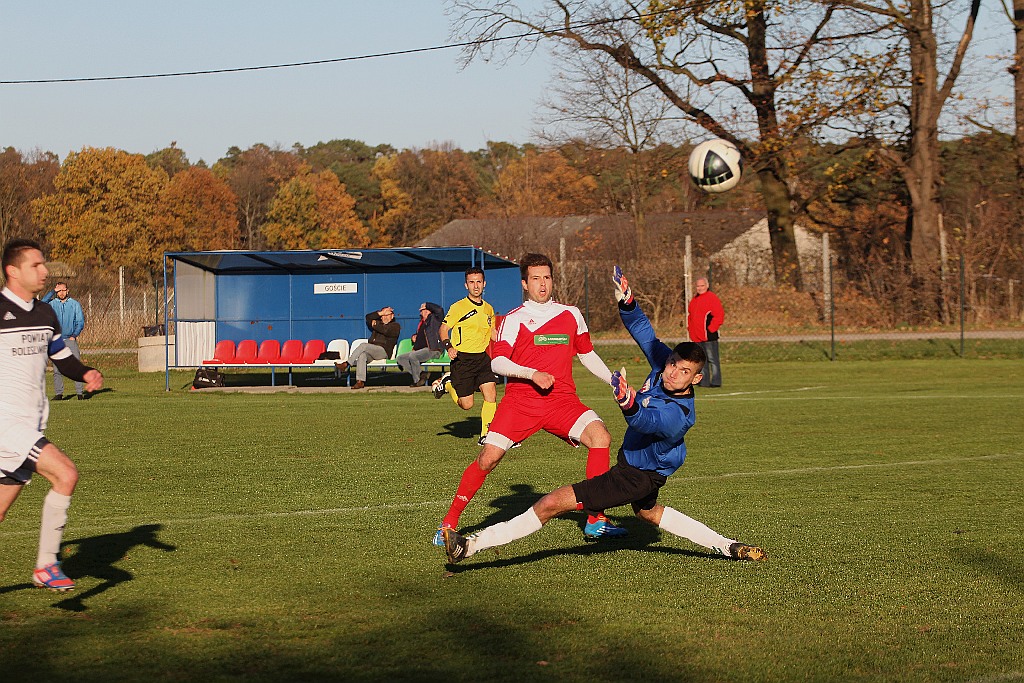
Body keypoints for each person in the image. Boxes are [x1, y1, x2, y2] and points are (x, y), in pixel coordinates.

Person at [440, 266, 765, 565]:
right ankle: (728, 545)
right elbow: (644, 332)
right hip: (640, 465)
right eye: (672, 365)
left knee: (550, 504)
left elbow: (646, 421)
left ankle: (469, 546)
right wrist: (627, 302)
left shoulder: (680, 414)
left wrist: (628, 402)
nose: (672, 373)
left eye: (684, 372)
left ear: (696, 379)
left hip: (635, 475)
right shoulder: (665, 364)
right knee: (649, 513)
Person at [433, 253, 627, 546]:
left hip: (562, 400)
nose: (542, 284)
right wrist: (532, 374)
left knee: (600, 437)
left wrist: (612, 380)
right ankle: (448, 523)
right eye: (535, 278)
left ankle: (595, 519)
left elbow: (586, 353)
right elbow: (498, 362)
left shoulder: (571, 314)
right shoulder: (514, 319)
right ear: (525, 284)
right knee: (488, 459)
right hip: (521, 403)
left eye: (546, 277)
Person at [0, 238, 104, 591]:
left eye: (44, 263)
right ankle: (46, 564)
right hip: (6, 425)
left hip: (30, 424)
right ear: (13, 271)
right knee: (66, 474)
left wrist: (86, 372)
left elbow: (61, 358)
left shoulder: (46, 314)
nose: (44, 271)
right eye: (35, 265)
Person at [430, 268, 500, 446]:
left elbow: (492, 332)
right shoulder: (458, 307)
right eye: (472, 282)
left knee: (491, 394)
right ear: (466, 285)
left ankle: (486, 435)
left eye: (479, 282)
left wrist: (508, 339)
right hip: (463, 360)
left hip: (482, 359)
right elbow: (443, 329)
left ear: (484, 284)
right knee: (467, 405)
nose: (476, 286)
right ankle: (448, 384)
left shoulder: (489, 309)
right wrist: (449, 346)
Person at [41, 281, 86, 400]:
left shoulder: (74, 304)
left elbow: (80, 321)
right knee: (57, 369)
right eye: (59, 291)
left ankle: (80, 393)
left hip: (70, 339)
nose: (61, 293)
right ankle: (59, 394)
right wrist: (52, 291)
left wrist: (74, 335)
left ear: (67, 290)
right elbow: (41, 303)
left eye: (63, 290)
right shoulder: (52, 304)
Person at [336, 306, 400, 389]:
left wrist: (375, 324)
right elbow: (368, 317)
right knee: (362, 355)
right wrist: (380, 313)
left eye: (387, 315)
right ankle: (360, 381)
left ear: (392, 316)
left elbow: (385, 330)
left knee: (364, 345)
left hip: (383, 351)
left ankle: (346, 364)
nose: (384, 317)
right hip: (371, 351)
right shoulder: (378, 322)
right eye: (383, 315)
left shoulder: (395, 326)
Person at [687, 276, 724, 388]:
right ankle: (704, 381)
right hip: (697, 336)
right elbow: (691, 316)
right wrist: (690, 330)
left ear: (707, 286)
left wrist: (711, 329)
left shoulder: (712, 298)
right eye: (698, 286)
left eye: (702, 285)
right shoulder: (694, 300)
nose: (700, 288)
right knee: (701, 360)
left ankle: (716, 381)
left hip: (709, 336)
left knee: (712, 359)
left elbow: (719, 315)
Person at [397, 301, 444, 387]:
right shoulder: (422, 323)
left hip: (433, 349)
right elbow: (421, 336)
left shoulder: (435, 320)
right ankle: (422, 374)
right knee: (401, 358)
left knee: (413, 356)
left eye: (425, 310)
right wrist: (414, 336)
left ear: (429, 311)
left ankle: (417, 380)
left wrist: (427, 304)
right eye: (422, 311)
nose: (423, 312)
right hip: (421, 350)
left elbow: (440, 310)